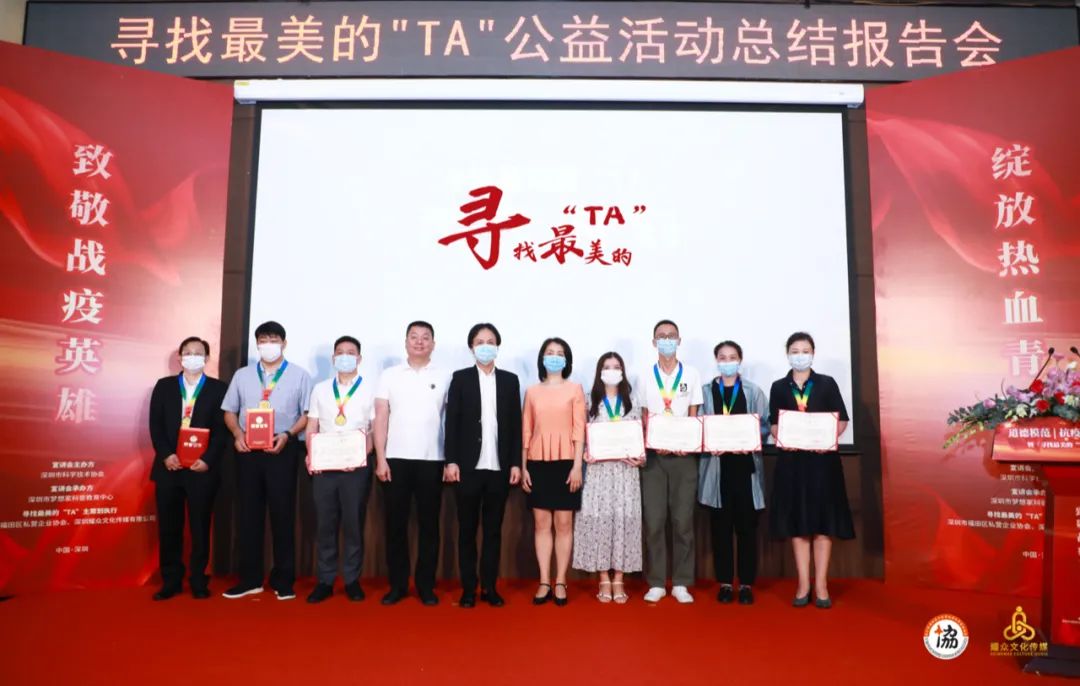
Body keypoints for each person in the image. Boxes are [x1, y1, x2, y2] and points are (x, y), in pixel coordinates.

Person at [221, 321, 311, 600]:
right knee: (249, 515)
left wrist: (288, 435)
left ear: (284, 343)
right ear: (257, 344)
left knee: (283, 515)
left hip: (281, 449)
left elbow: (307, 414)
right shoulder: (243, 375)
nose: (268, 345)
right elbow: (229, 411)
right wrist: (237, 434)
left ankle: (283, 579)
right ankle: (250, 579)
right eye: (263, 340)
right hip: (248, 451)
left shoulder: (300, 375)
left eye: (273, 339)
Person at [768, 331, 853, 609]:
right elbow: (774, 424)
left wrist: (825, 439)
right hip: (792, 464)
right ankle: (803, 584)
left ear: (813, 354)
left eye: (805, 351)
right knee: (799, 525)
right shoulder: (779, 387)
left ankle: (822, 585)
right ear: (787, 354)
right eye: (795, 351)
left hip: (822, 464)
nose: (800, 356)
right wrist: (783, 437)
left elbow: (842, 421)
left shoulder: (827, 383)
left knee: (823, 524)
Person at [444, 323, 522, 608]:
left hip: (499, 468)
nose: (485, 346)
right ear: (471, 347)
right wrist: (451, 460)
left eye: (490, 341)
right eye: (480, 342)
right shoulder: (460, 378)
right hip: (467, 468)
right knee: (466, 531)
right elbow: (451, 422)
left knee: (493, 531)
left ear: (497, 346)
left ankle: (489, 587)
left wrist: (516, 463)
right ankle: (468, 589)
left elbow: (515, 425)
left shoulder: (510, 381)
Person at [374, 321, 449, 606]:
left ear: (433, 344)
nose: (419, 342)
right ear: (405, 342)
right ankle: (397, 585)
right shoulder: (389, 375)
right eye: (414, 337)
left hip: (432, 460)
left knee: (430, 526)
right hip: (395, 460)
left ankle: (426, 586)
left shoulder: (445, 376)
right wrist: (380, 458)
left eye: (425, 337)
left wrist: (450, 460)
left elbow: (451, 421)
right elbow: (381, 417)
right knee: (396, 526)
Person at [147, 336, 228, 600]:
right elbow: (155, 425)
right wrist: (166, 455)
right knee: (169, 527)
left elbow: (222, 431)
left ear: (207, 358)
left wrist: (208, 460)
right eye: (188, 352)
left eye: (198, 353)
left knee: (200, 527)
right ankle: (170, 580)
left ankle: (198, 579)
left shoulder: (218, 389)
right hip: (169, 468)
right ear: (180, 357)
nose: (192, 356)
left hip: (201, 469)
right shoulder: (164, 386)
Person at [698, 340, 769, 605]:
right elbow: (698, 425)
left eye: (732, 357)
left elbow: (766, 424)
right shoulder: (705, 392)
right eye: (722, 357)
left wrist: (751, 440)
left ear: (740, 360)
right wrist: (707, 442)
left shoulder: (753, 391)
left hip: (746, 471)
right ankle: (726, 583)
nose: (727, 361)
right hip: (717, 471)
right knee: (721, 531)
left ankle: (747, 584)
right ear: (716, 361)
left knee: (747, 530)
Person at [304, 335, 375, 604]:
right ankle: (325, 580)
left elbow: (374, 430)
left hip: (355, 467)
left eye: (351, 352)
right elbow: (312, 425)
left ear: (359, 358)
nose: (345, 356)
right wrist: (311, 455)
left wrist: (361, 455)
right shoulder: (321, 389)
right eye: (340, 352)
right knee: (325, 524)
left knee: (353, 524)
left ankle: (352, 580)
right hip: (324, 466)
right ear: (334, 358)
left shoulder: (370, 389)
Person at [639, 319, 703, 604]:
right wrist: (653, 442)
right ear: (654, 342)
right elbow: (644, 416)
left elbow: (693, 413)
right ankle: (656, 582)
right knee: (654, 521)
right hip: (654, 457)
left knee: (682, 520)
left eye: (671, 335)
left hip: (683, 457)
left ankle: (681, 582)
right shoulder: (645, 376)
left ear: (679, 340)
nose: (667, 340)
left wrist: (685, 443)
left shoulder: (691, 373)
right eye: (661, 336)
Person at [573, 352, 643, 604]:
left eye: (616, 366)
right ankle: (603, 576)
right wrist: (585, 453)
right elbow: (580, 436)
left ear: (623, 371)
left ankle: (619, 578)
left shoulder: (633, 401)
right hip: (598, 473)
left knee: (625, 521)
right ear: (599, 372)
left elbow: (641, 437)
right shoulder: (588, 401)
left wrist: (641, 457)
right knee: (600, 521)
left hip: (625, 474)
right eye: (606, 366)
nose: (611, 370)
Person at [521, 337, 585, 607]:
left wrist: (577, 466)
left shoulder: (575, 389)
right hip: (537, 462)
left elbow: (579, 430)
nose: (555, 357)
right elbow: (526, 430)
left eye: (560, 353)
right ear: (542, 358)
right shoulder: (532, 392)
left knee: (564, 524)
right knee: (541, 524)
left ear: (566, 360)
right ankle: (544, 580)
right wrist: (524, 466)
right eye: (550, 352)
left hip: (567, 463)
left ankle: (560, 580)